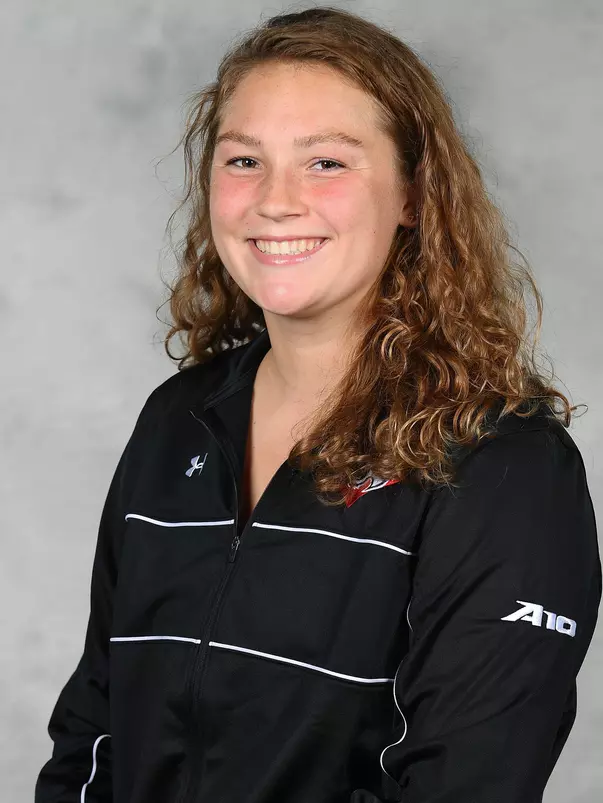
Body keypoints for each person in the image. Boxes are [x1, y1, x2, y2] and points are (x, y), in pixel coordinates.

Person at [35, 6, 601, 803]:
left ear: (412, 194)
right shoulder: (178, 421)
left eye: (326, 162)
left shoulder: (503, 466)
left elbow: (464, 784)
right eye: (242, 161)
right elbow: (91, 730)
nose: (274, 201)